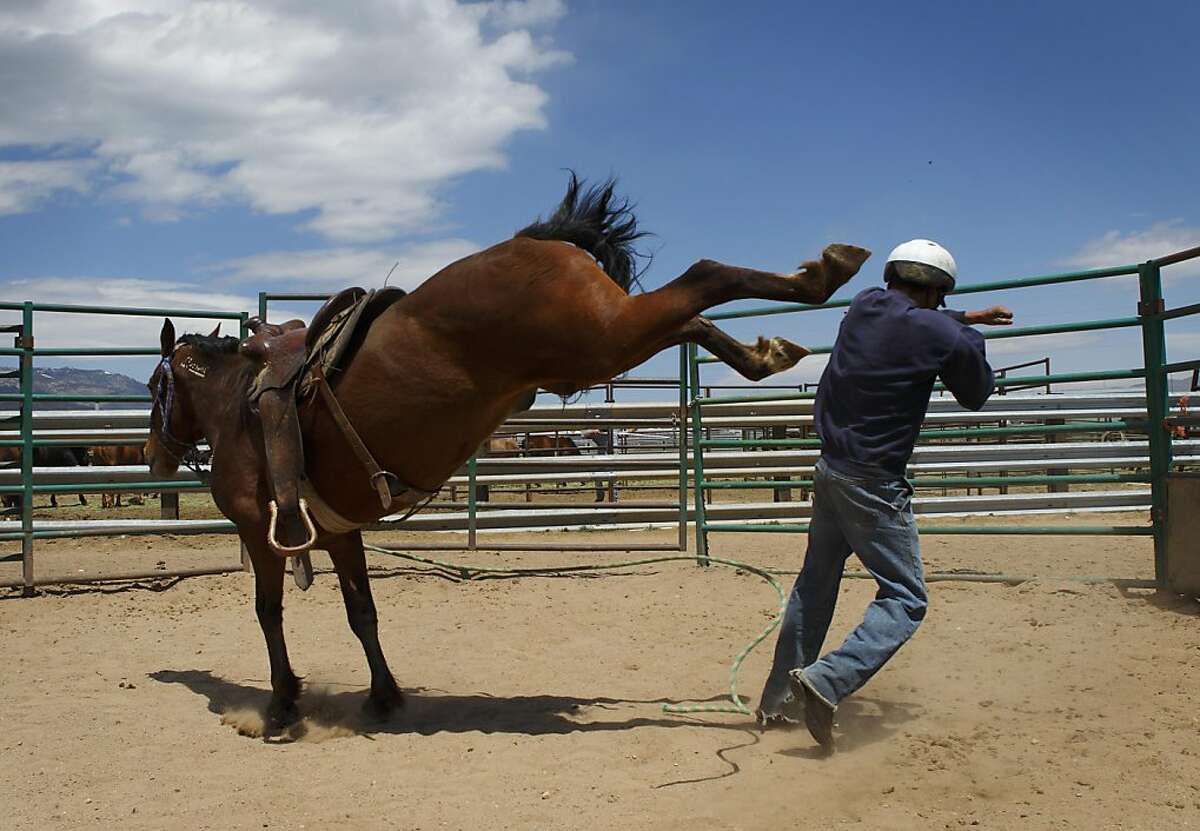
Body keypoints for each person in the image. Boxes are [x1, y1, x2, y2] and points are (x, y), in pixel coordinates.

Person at [756, 239, 1013, 752]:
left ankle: (778, 702)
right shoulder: (945, 333)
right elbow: (975, 393)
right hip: (874, 481)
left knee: (815, 582)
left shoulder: (865, 304)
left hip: (830, 469)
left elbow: (912, 316)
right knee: (905, 597)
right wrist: (966, 328)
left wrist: (963, 315)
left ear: (895, 274)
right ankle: (827, 681)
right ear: (938, 291)